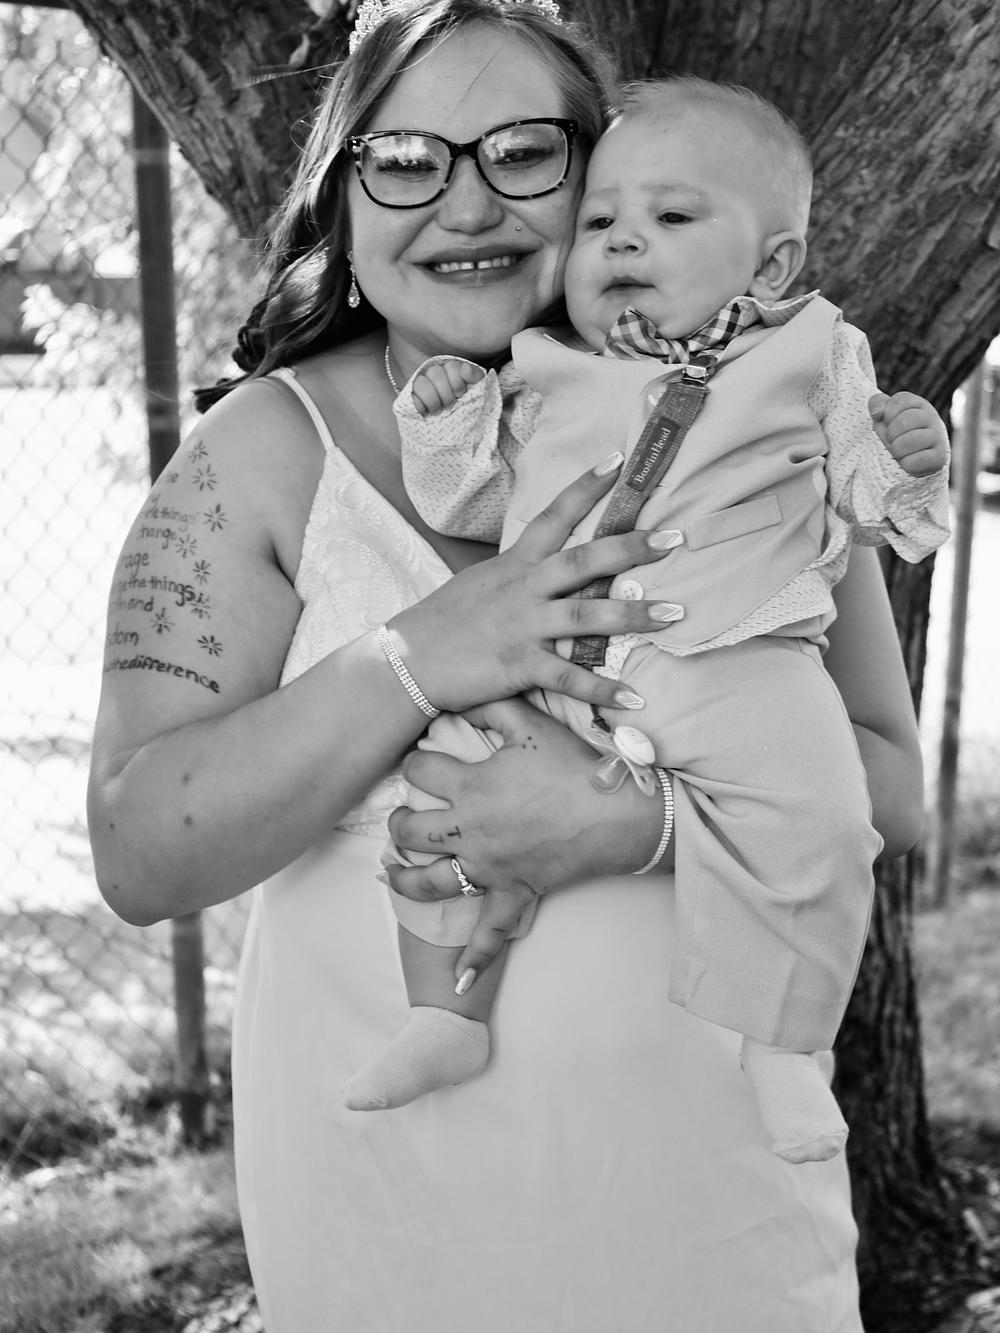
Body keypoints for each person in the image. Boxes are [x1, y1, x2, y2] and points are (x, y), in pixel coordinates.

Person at [87, 3, 925, 1329]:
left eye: (525, 152)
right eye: (405, 160)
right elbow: (140, 851)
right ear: (342, 198)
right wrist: (420, 657)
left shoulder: (755, 422)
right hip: (398, 1237)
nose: (467, 205)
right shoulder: (261, 454)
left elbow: (887, 779)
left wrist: (638, 823)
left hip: (721, 1229)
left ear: (603, 174)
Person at [345, 75, 950, 1167]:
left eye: (671, 217)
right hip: (549, 671)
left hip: (733, 656)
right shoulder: (544, 370)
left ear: (771, 265)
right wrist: (444, 432)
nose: (625, 240)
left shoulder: (812, 349)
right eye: (600, 222)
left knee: (816, 810)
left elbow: (866, 499)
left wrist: (905, 464)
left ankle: (782, 1041)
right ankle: (441, 1012)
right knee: (439, 792)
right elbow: (475, 505)